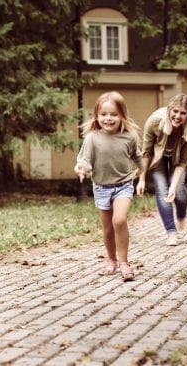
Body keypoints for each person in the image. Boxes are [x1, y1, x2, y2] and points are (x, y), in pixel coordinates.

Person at [74, 91, 144, 282]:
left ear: (122, 115)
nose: (108, 118)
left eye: (113, 114)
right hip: (101, 187)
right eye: (103, 114)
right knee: (107, 229)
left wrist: (143, 174)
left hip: (124, 185)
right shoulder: (92, 138)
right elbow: (86, 161)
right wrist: (81, 168)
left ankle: (124, 262)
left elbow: (138, 157)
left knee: (119, 220)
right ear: (96, 116)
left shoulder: (128, 137)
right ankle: (111, 260)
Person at [138, 93, 187, 246]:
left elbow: (183, 161)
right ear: (169, 109)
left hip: (177, 161)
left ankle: (181, 217)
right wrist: (142, 178)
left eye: (183, 113)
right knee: (163, 192)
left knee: (179, 190)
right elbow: (147, 152)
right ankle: (171, 232)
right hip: (158, 159)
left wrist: (173, 186)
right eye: (175, 111)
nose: (177, 116)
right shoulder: (154, 121)